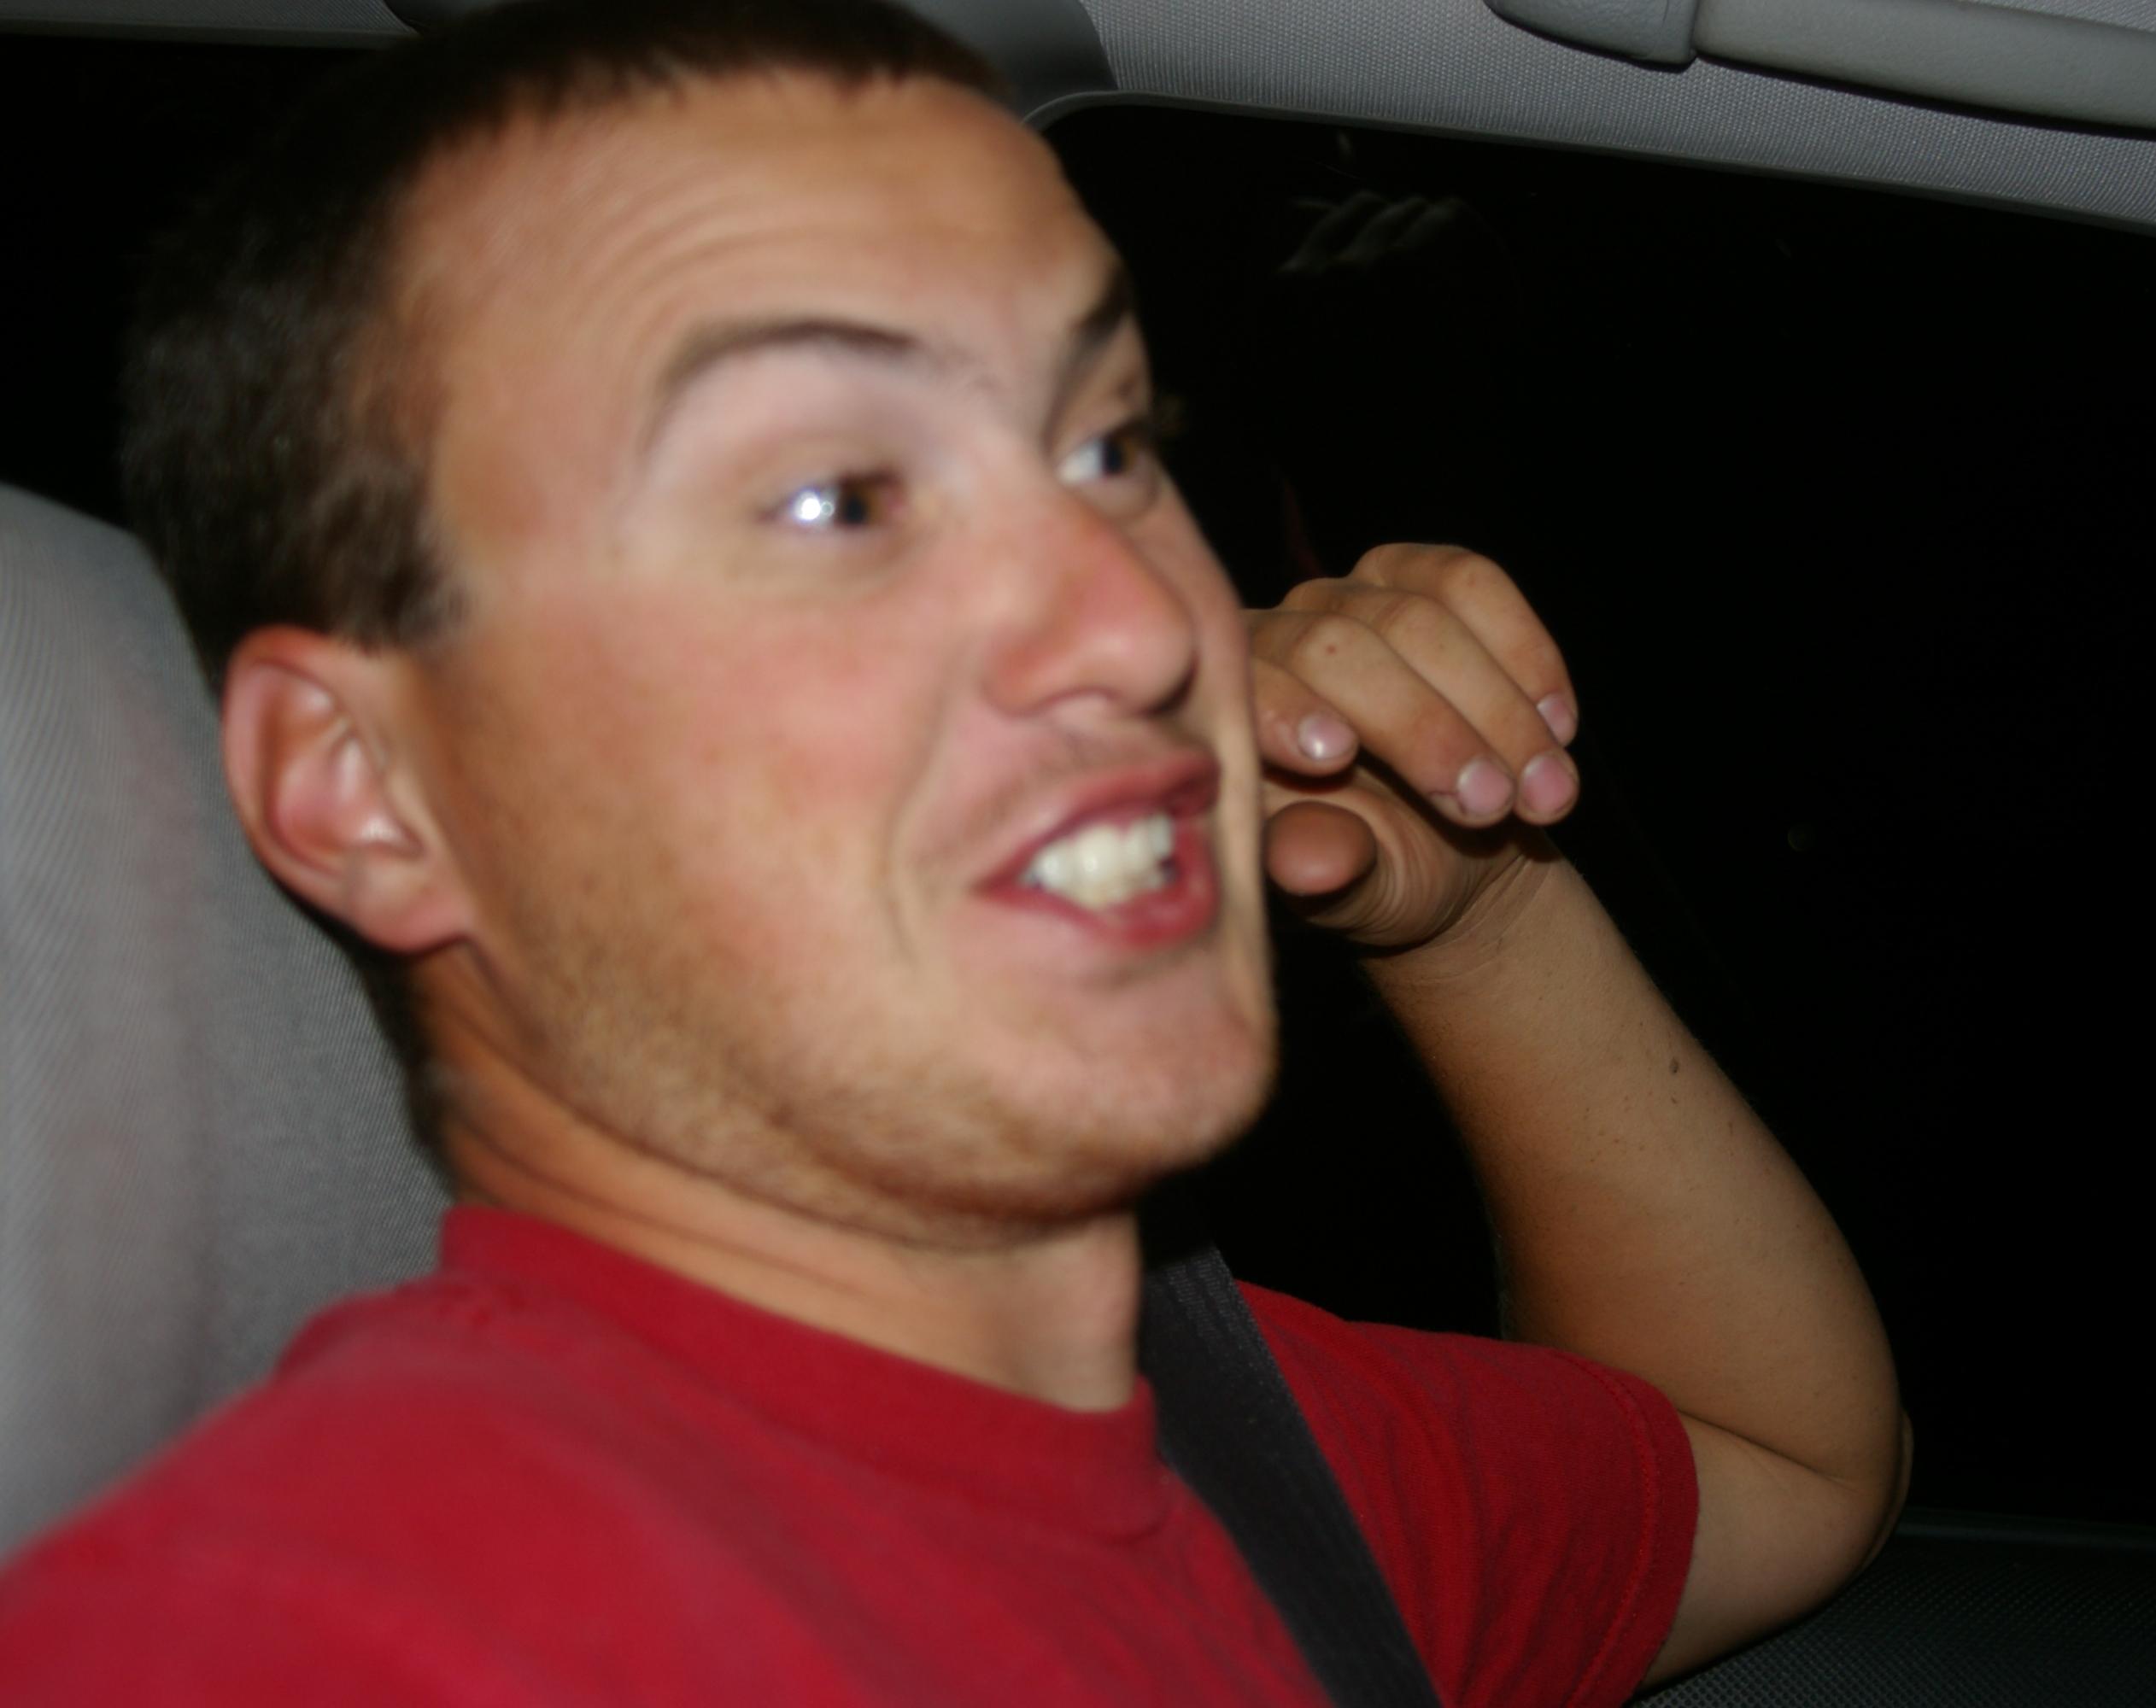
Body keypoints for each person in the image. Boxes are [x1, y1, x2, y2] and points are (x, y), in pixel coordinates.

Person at [0, 1, 1909, 1700]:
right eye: (834, 497)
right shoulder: (345, 1627)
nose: (1143, 623)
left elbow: (1781, 1464)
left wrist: (1476, 911)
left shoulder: (1225, 1453)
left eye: (1104, 449)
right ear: (368, 788)